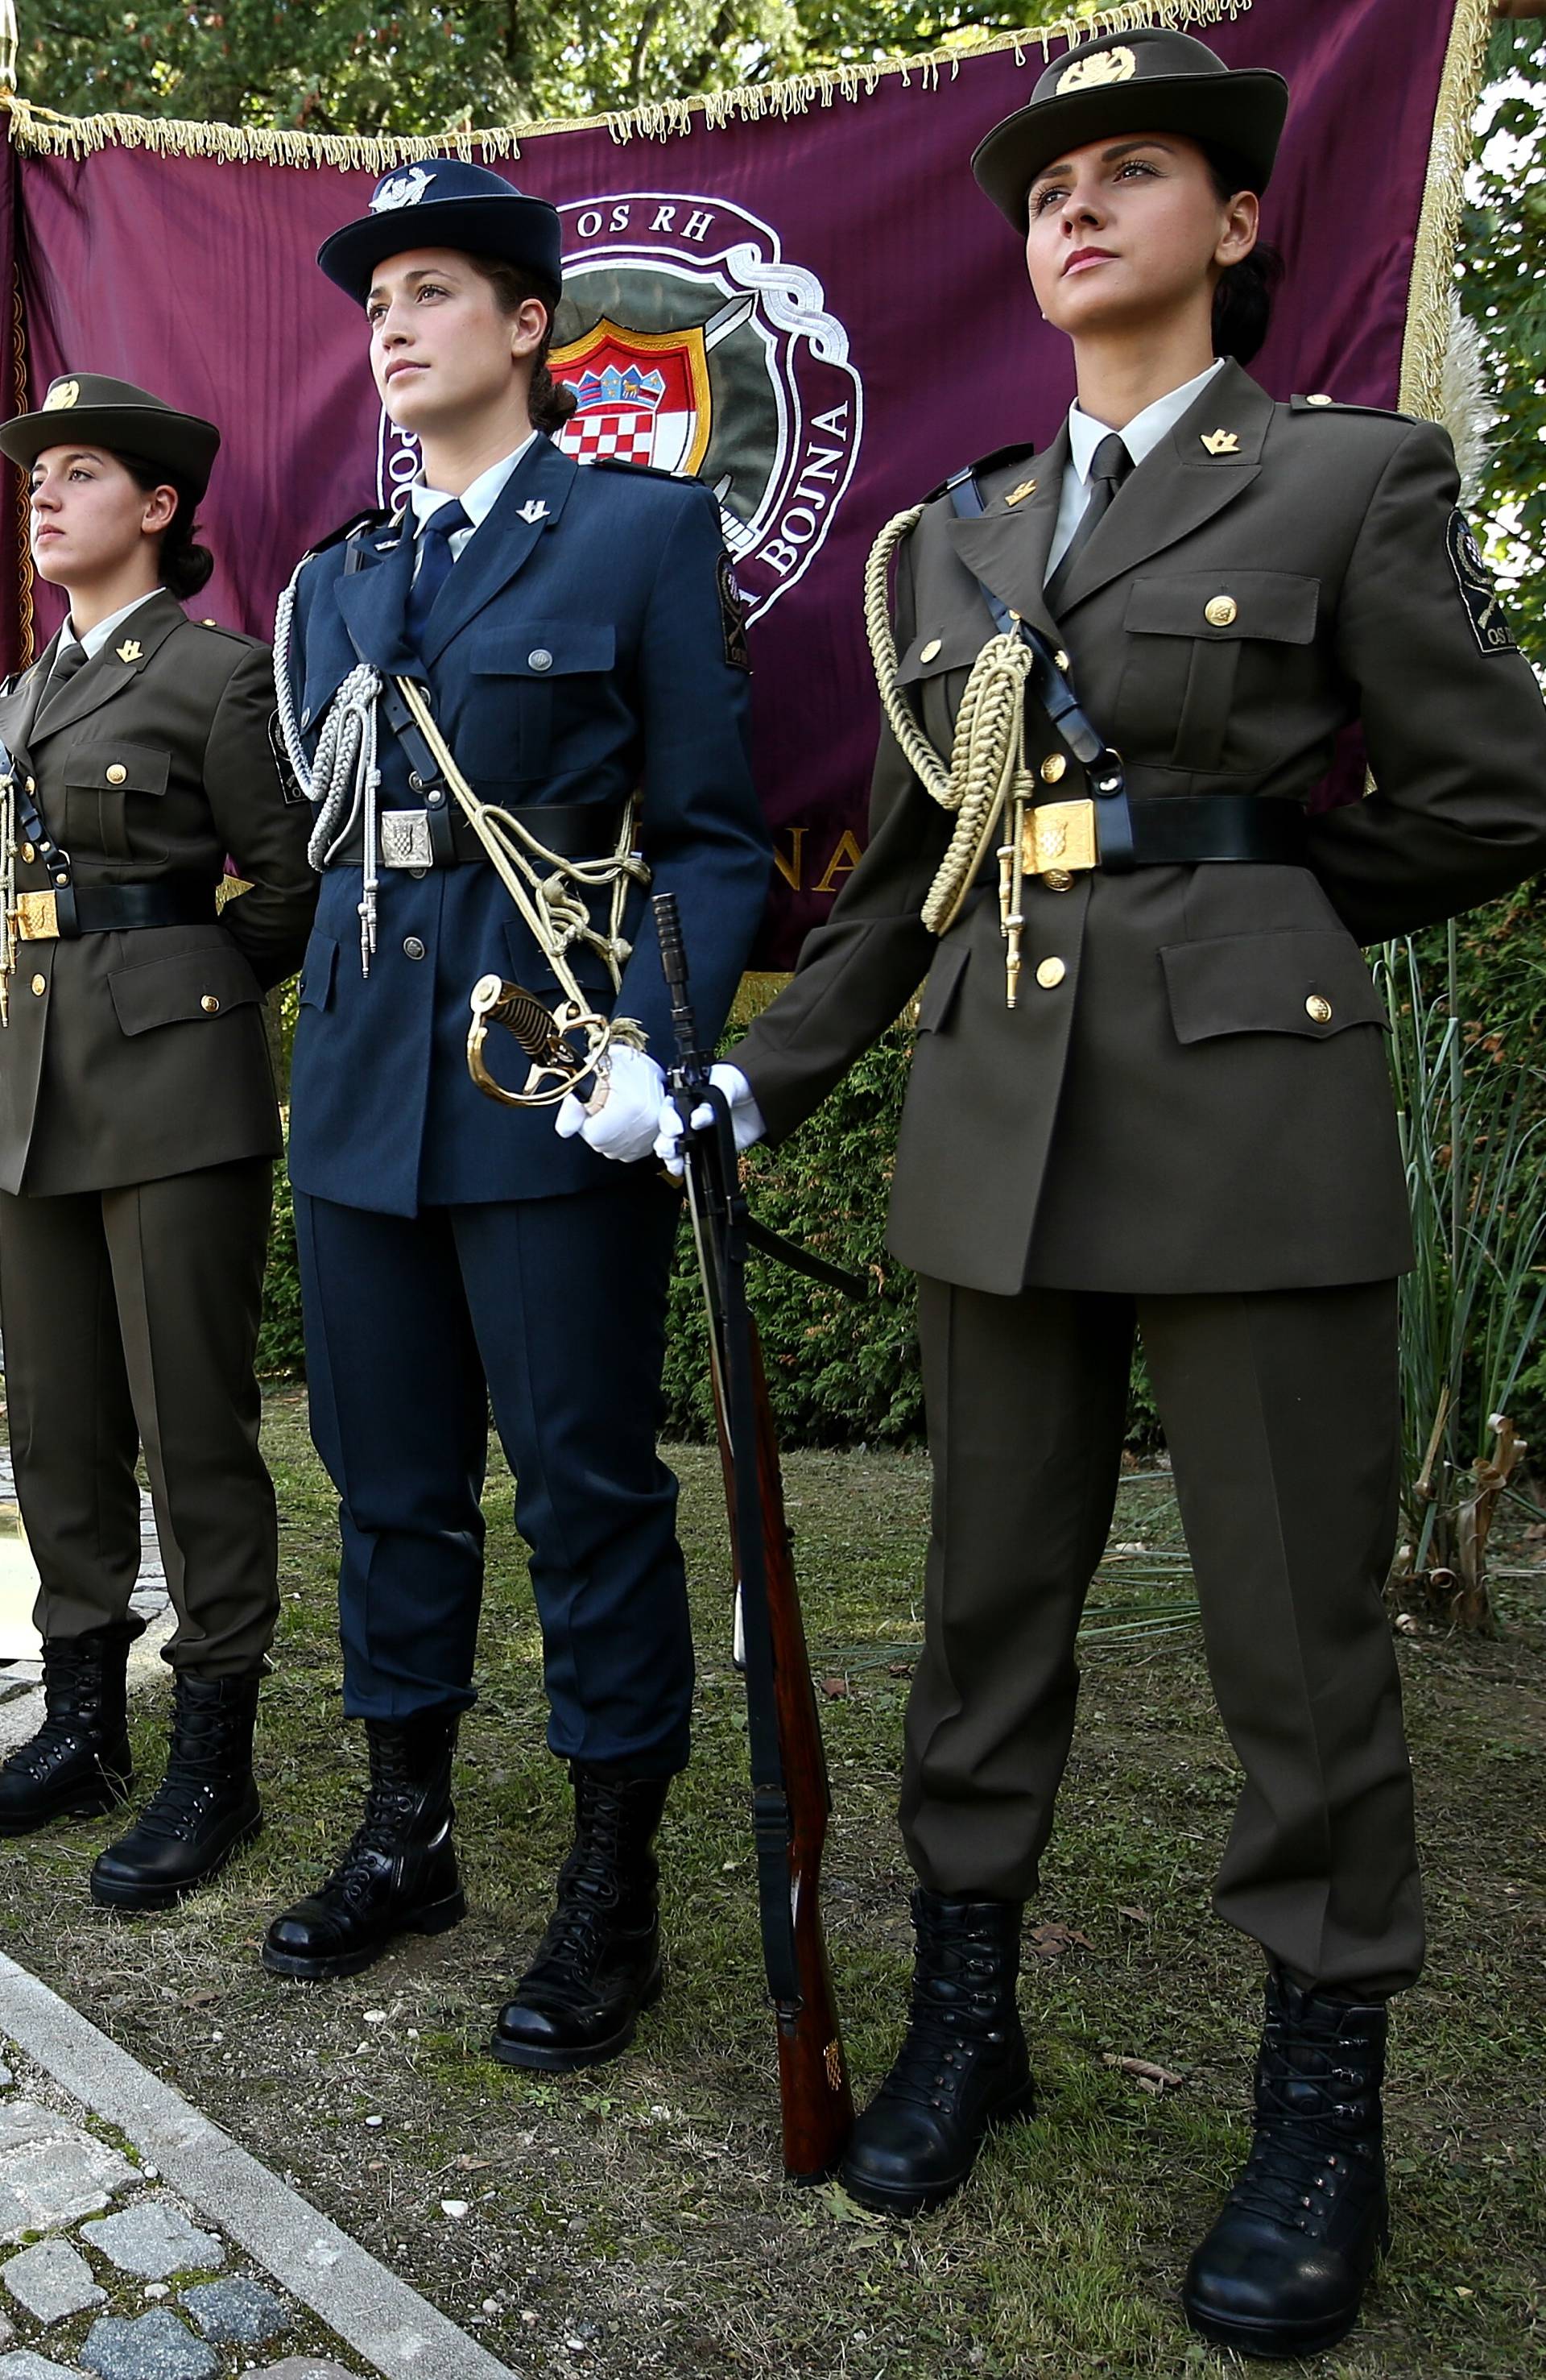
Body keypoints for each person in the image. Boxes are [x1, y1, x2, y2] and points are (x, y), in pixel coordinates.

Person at [635, 27, 1546, 2362]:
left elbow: (1480, 795)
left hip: (1250, 1115)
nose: (1079, 209)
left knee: (1294, 1643)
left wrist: (1250, 912)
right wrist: (760, 1077)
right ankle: (969, 2011)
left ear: (1237, 225)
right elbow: (920, 872)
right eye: (1050, 184)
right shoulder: (956, 531)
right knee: (984, 1600)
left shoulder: (1346, 478)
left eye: (1135, 173)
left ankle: (1318, 2096)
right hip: (997, 1113)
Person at [260, 161, 771, 2076]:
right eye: (375, 299)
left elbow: (713, 848)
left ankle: (608, 1883)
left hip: (550, 1100)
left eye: (436, 291)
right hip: (363, 1099)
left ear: (532, 326)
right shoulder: (340, 582)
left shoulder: (632, 535)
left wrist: (653, 1043)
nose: (392, 326)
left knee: (584, 1496)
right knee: (388, 1492)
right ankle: (412, 1829)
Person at [0, 374, 316, 1908]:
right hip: (31, 1091)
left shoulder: (216, 678)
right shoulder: (22, 694)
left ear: (160, 507)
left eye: (77, 474)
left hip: (173, 1091)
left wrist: (186, 1002)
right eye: (36, 475)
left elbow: (288, 886)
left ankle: (214, 1755)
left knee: (192, 1428)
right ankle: (81, 1721)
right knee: (57, 1423)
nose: (44, 495)